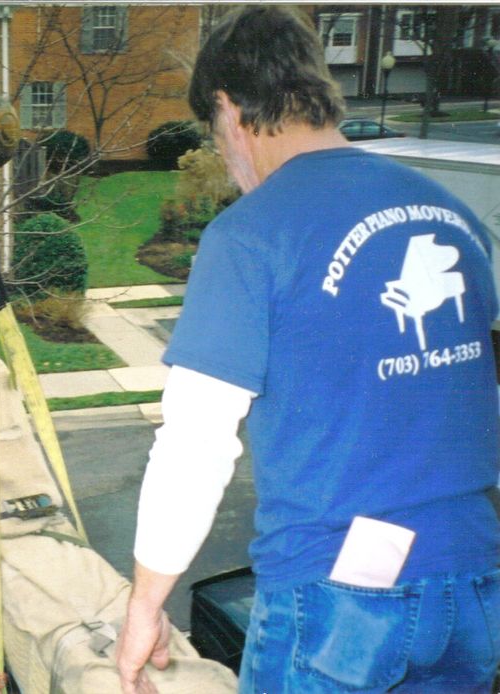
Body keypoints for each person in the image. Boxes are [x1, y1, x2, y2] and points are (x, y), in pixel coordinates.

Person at [115, 7, 500, 693]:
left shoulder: (250, 235)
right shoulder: (455, 216)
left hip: (340, 602)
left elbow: (196, 445)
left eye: (216, 136)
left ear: (229, 109)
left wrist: (145, 607)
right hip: (476, 583)